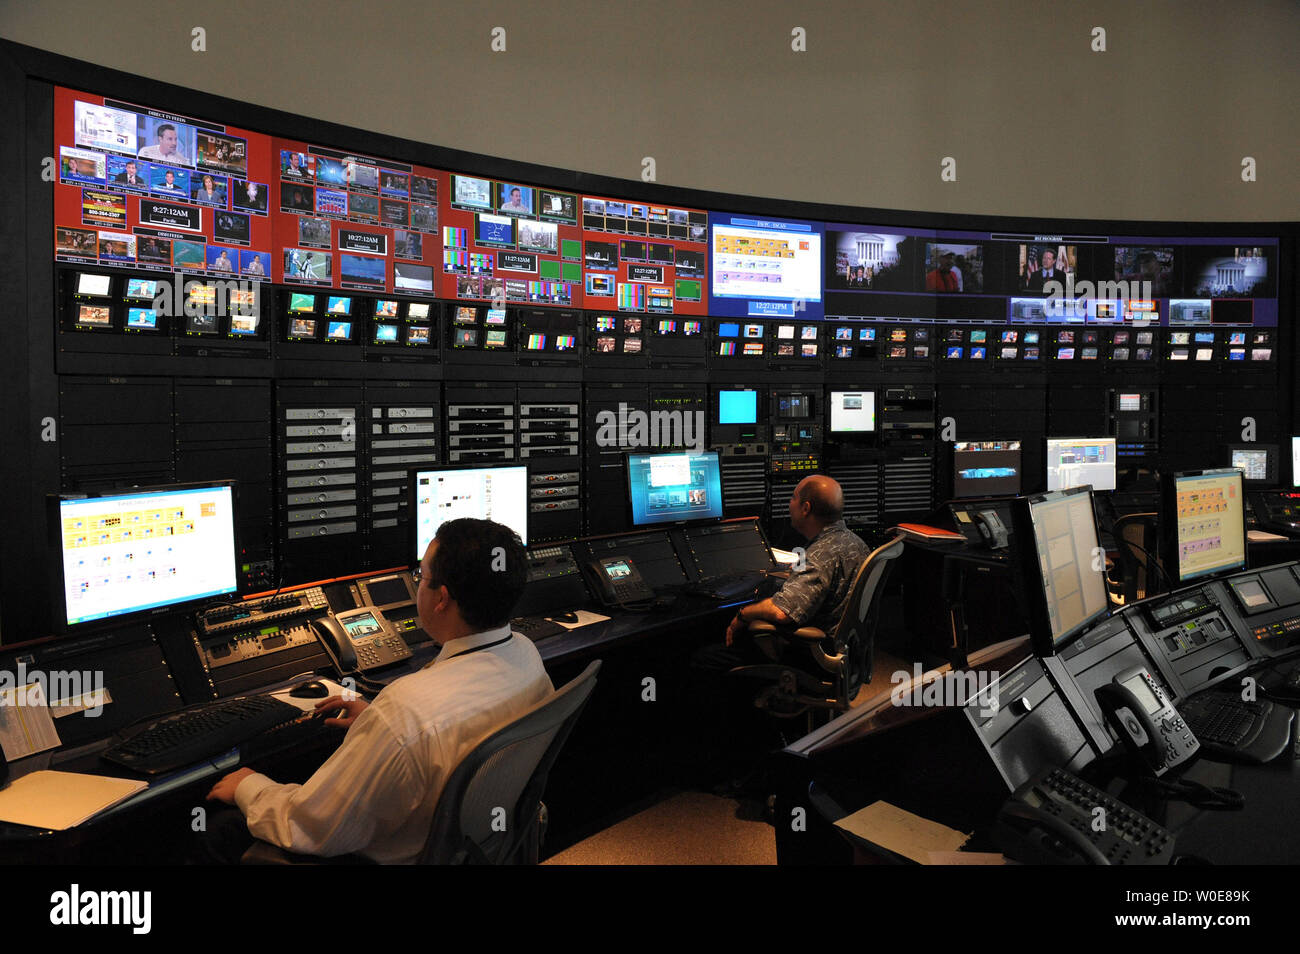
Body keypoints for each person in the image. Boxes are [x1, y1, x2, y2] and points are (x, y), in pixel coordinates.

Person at [204, 518, 553, 864]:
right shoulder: (525, 654)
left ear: (441, 599)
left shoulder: (405, 712)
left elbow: (312, 828)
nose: (418, 584)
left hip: (395, 855)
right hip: (475, 847)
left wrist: (249, 786)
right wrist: (378, 726)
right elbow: (447, 731)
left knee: (216, 825)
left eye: (421, 577)